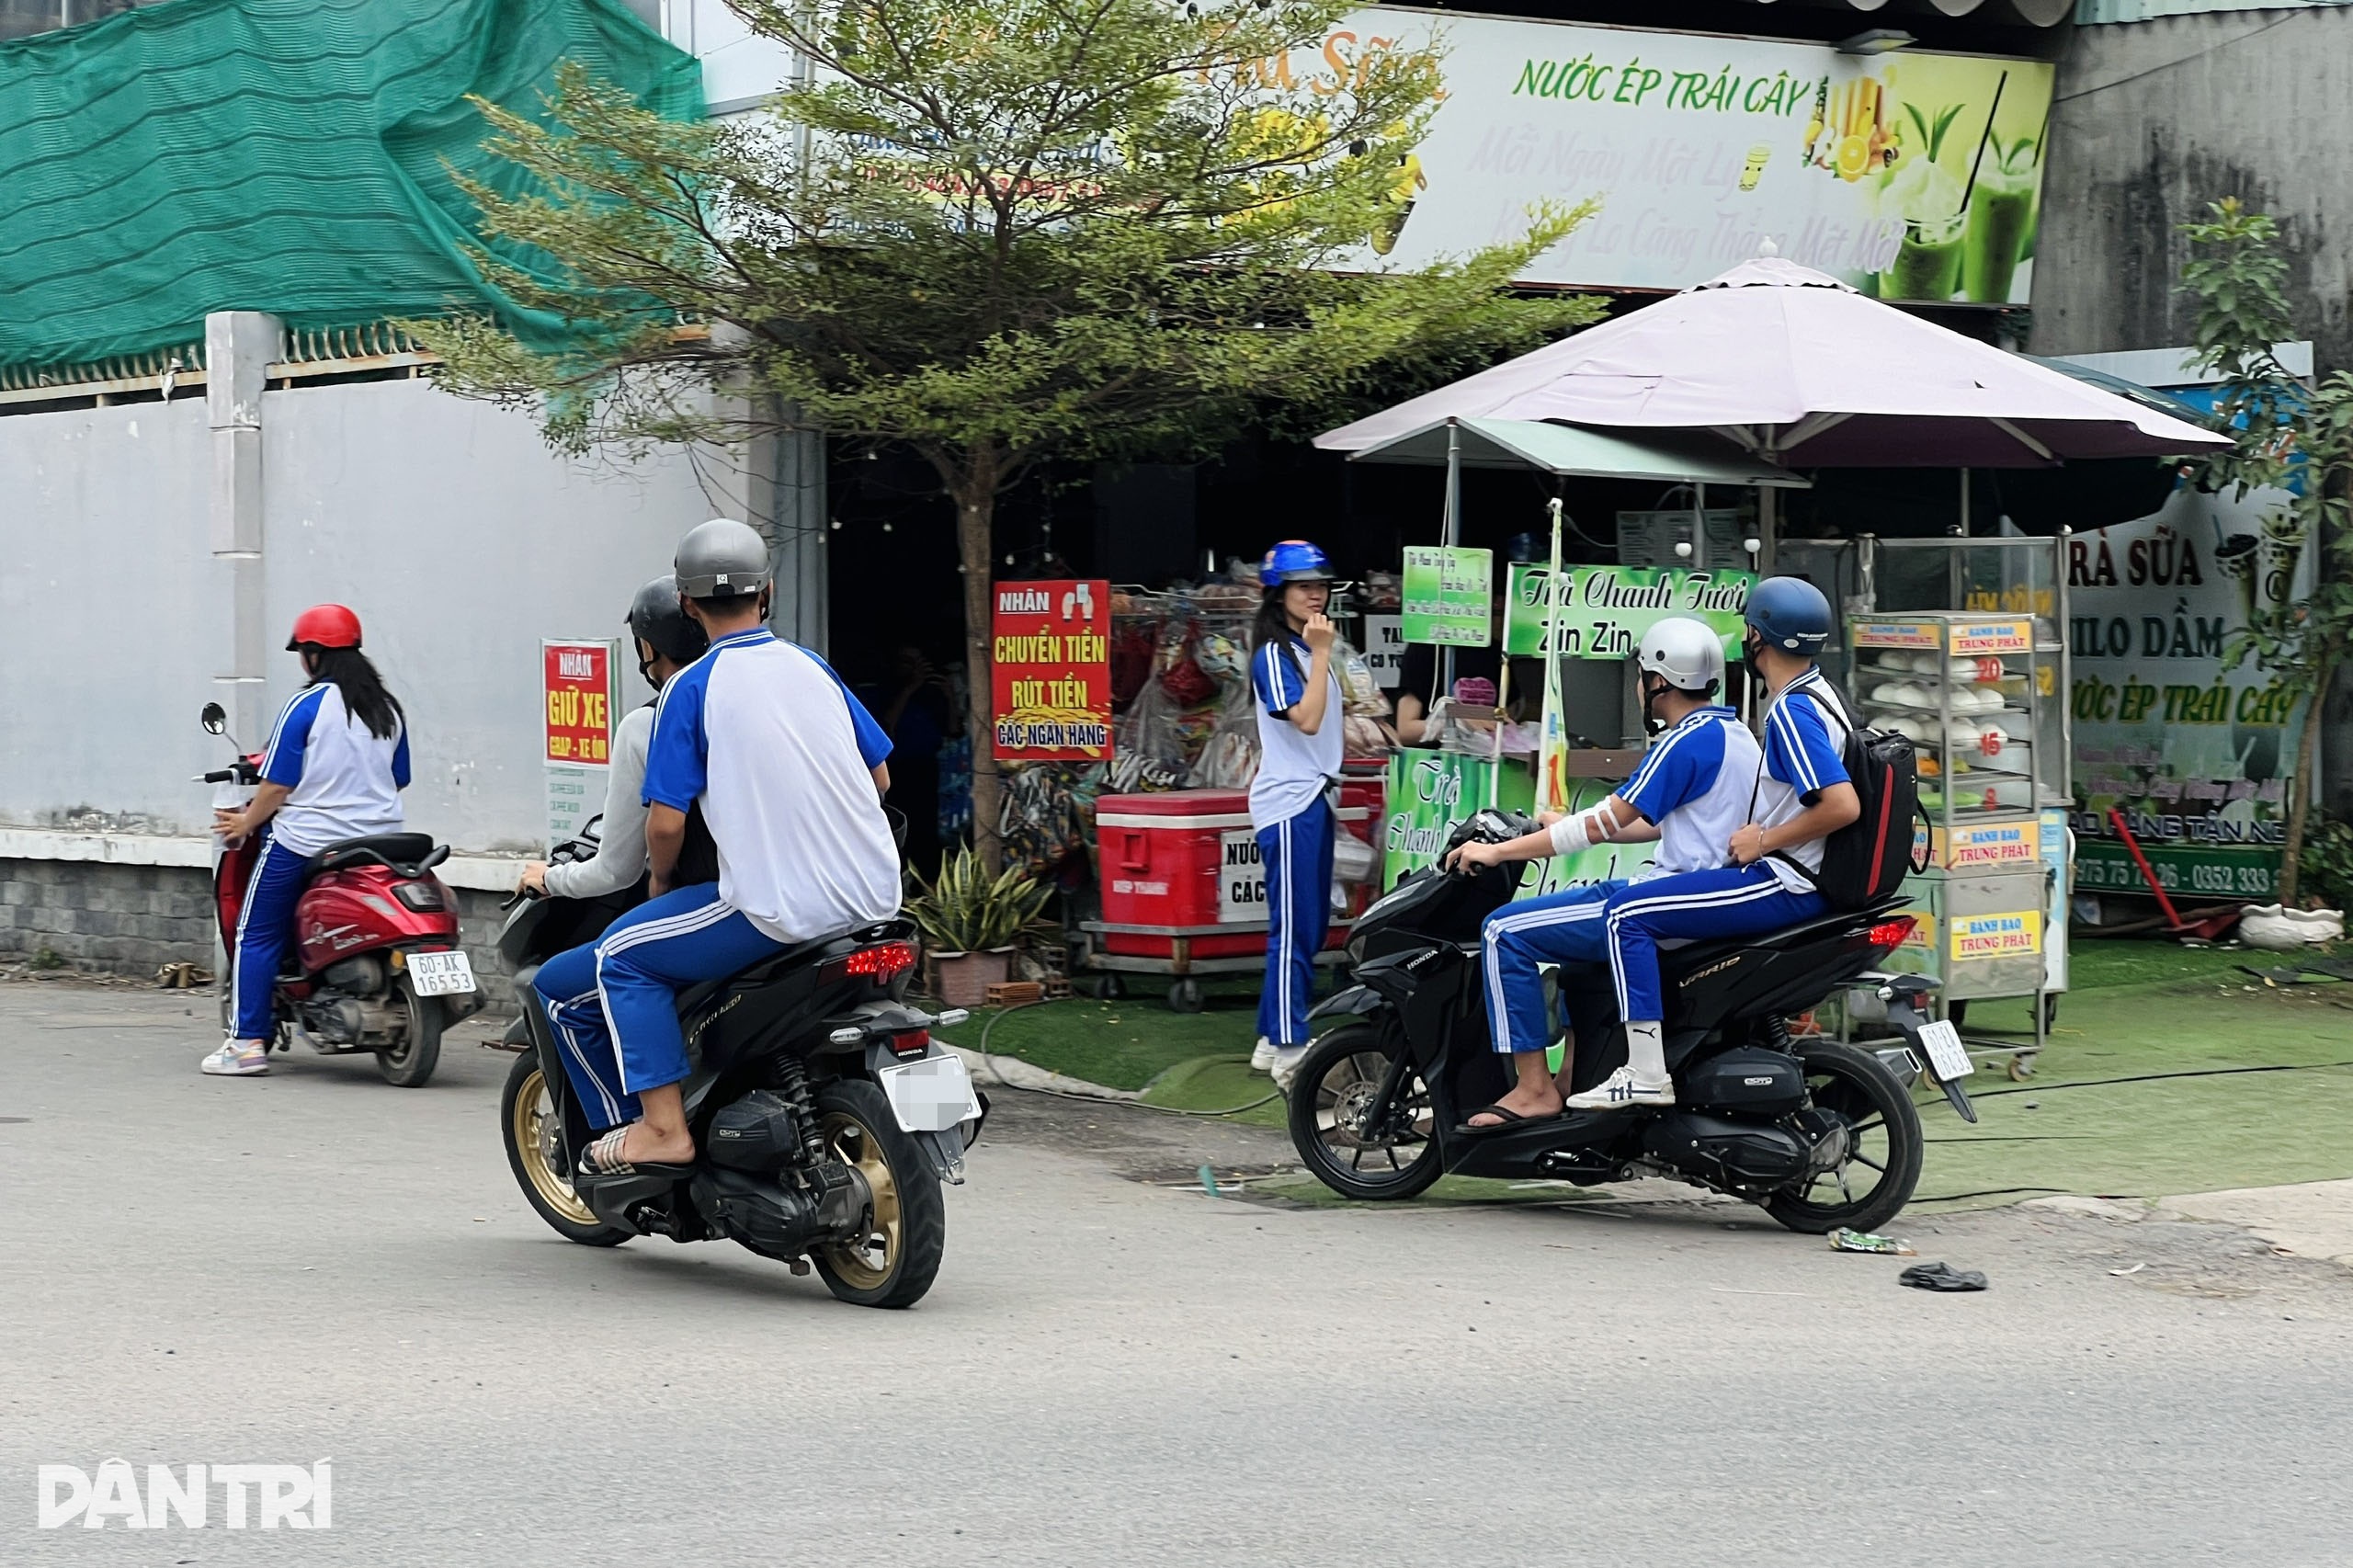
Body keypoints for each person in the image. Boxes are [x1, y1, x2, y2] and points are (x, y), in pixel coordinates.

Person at [540, 519, 899, 1171]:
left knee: (621, 954)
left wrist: (658, 885)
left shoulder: (691, 687)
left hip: (775, 908)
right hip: (871, 896)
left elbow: (666, 825)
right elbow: (880, 776)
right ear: (768, 590)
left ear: (685, 603)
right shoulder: (810, 666)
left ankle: (662, 1132)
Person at [1444, 618, 1756, 1128]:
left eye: (1640, 674)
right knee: (1572, 945)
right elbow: (1653, 825)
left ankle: (1532, 1089)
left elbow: (1605, 821)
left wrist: (1501, 853)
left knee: (1503, 932)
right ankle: (1571, 1075)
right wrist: (1569, 823)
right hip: (1693, 894)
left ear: (1658, 680)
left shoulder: (1685, 742)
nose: (1638, 686)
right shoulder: (1736, 734)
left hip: (1665, 899)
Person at [1574, 577, 1861, 1110]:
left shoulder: (1792, 710)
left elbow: (1841, 805)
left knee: (1626, 915)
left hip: (1788, 880)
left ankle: (1644, 1070)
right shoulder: (1824, 695)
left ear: (1757, 636)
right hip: (1811, 877)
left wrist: (1764, 840)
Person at [523, 577, 710, 1119]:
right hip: (845, 899)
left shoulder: (652, 724)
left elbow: (631, 858)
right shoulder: (784, 692)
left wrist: (550, 878)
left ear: (650, 648)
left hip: (722, 901)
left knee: (569, 982)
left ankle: (639, 1135)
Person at [203, 605, 411, 1077]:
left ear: (314, 655)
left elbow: (276, 785)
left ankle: (246, 1043)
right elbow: (398, 778)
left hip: (308, 840)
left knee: (255, 932)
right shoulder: (387, 708)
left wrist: (245, 824)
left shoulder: (307, 705)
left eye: (303, 653)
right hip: (383, 839)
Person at [518, 575, 709, 904]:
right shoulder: (735, 703)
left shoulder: (645, 725)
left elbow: (617, 869)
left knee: (592, 958)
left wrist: (550, 878)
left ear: (648, 647)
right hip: (787, 894)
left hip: (703, 898)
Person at [1247, 540, 1343, 1089]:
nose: (1314, 593)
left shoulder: (1305, 648)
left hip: (1312, 796)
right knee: (1293, 929)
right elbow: (1305, 721)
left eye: (1320, 584)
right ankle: (1288, 1045)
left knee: (1308, 927)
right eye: (1303, 585)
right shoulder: (1277, 654)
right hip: (1289, 801)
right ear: (1278, 593)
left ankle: (1269, 1035)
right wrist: (1325, 653)